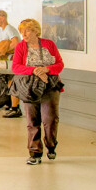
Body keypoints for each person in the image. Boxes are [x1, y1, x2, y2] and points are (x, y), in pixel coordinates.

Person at [12, 18, 64, 166]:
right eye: (22, 31)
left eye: (27, 30)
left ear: (35, 31)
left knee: (50, 119)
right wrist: (34, 70)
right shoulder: (21, 47)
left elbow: (60, 64)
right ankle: (34, 153)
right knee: (32, 121)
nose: (24, 34)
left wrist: (47, 69)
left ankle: (51, 145)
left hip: (50, 86)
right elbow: (16, 67)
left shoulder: (49, 44)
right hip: (29, 87)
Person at [0, 10, 22, 118]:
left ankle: (15, 108)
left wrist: (4, 50)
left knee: (12, 83)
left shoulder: (9, 29)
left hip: (13, 61)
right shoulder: (3, 30)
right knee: (9, 82)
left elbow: (16, 43)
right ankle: (11, 105)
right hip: (8, 60)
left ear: (3, 18)